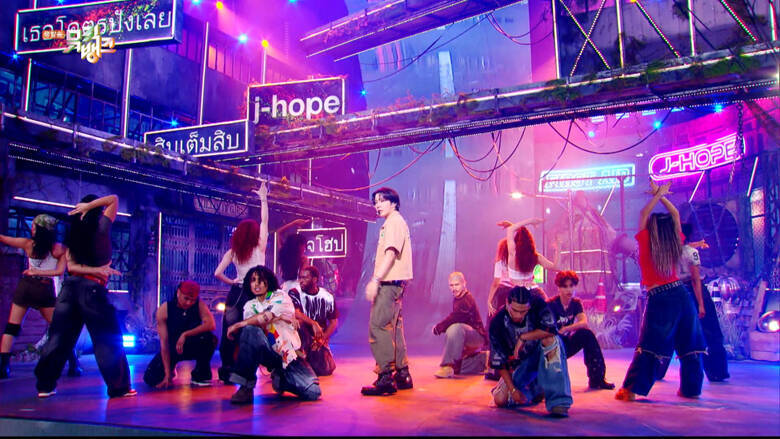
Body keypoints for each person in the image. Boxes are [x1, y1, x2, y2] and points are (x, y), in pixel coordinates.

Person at [34, 194, 134, 398]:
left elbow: (71, 267)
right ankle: (119, 387)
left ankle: (45, 385)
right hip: (92, 290)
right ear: (97, 211)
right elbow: (114, 199)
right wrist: (97, 271)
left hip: (70, 288)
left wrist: (85, 207)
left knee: (59, 338)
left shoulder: (74, 235)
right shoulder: (101, 228)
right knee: (107, 339)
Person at [615, 180, 706, 401]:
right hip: (682, 295)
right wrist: (662, 195)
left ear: (652, 228)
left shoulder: (645, 241)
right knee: (690, 343)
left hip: (661, 297)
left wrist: (656, 195)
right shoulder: (675, 240)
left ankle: (631, 390)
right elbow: (675, 214)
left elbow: (644, 213)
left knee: (650, 343)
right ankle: (691, 390)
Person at [226, 266, 321, 403]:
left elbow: (267, 316)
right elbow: (258, 325)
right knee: (250, 330)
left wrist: (239, 324)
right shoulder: (249, 306)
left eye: (261, 280)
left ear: (268, 281)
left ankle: (282, 379)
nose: (257, 284)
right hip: (268, 352)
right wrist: (278, 317)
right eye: (253, 280)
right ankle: (245, 387)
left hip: (290, 354)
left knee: (313, 392)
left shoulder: (280, 296)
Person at [0, 214, 76, 379]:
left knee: (12, 327)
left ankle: (3, 367)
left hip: (26, 287)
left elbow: (4, 239)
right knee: (59, 328)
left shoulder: (28, 244)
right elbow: (59, 272)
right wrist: (40, 272)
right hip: (43, 289)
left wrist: (34, 271)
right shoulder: (59, 249)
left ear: (40, 229)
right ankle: (73, 363)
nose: (32, 228)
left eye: (34, 226)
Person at [655, 224, 729, 382]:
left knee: (668, 331)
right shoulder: (687, 252)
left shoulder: (667, 252)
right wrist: (701, 304)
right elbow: (695, 280)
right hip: (689, 289)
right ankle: (717, 371)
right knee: (709, 330)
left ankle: (656, 370)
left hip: (674, 290)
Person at [489, 286, 573, 417]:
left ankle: (558, 402)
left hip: (540, 355)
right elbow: (500, 362)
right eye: (515, 310)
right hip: (519, 365)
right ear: (507, 304)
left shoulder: (538, 305)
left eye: (523, 312)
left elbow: (551, 330)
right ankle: (537, 389)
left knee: (551, 340)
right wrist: (513, 389)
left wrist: (524, 337)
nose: (519, 315)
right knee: (501, 399)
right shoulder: (497, 322)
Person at [361, 187, 414, 396]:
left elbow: (391, 253)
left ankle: (385, 377)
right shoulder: (395, 222)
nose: (378, 205)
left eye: (382, 200)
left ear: (393, 203)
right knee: (394, 328)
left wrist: (375, 280)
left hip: (389, 283)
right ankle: (402, 373)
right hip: (396, 283)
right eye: (375, 202)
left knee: (378, 326)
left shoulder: (393, 222)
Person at [214, 183, 269, 383]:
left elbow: (217, 273)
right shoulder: (260, 247)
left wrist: (232, 281)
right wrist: (263, 198)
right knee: (254, 329)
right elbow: (264, 221)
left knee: (229, 331)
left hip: (236, 294)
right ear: (255, 233)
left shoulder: (234, 252)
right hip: (255, 293)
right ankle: (254, 367)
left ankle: (227, 370)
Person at [143, 280, 218, 388]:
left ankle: (200, 374)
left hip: (192, 344)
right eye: (186, 298)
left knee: (210, 339)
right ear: (178, 293)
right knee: (151, 378)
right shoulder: (165, 309)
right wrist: (167, 373)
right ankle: (171, 369)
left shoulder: (199, 305)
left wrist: (185, 334)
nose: (189, 303)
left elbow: (211, 324)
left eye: (192, 300)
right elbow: (164, 343)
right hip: (173, 348)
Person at [547, 270, 614, 390]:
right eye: (565, 286)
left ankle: (597, 379)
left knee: (587, 335)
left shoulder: (576, 303)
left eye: (571, 286)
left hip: (566, 342)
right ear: (559, 288)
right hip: (552, 345)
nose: (569, 290)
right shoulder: (551, 304)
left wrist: (567, 328)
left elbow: (583, 322)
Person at [432, 272, 487, 379]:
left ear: (464, 284)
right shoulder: (458, 298)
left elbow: (455, 317)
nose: (454, 288)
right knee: (458, 368)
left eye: (457, 284)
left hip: (477, 337)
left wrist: (438, 328)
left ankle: (448, 366)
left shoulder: (466, 299)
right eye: (451, 285)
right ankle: (483, 360)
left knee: (454, 328)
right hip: (466, 336)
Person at [288, 265, 339, 376]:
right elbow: (296, 313)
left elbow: (334, 321)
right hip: (301, 336)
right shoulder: (295, 292)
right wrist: (313, 323)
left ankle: (313, 357)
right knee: (299, 322)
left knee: (325, 370)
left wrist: (322, 339)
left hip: (318, 338)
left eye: (305, 278)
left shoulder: (327, 297)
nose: (301, 281)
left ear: (314, 279)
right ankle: (298, 356)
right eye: (300, 277)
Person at [497, 217, 560, 296]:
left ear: (515, 243)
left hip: (517, 296)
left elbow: (510, 230)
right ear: (531, 243)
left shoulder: (513, 254)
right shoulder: (535, 257)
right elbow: (556, 267)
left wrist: (530, 221)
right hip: (532, 294)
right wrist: (559, 247)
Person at [484, 239, 516, 381]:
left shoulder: (500, 262)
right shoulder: (517, 261)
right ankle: (511, 367)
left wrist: (489, 300)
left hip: (502, 294)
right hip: (515, 294)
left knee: (495, 329)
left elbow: (496, 282)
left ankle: (495, 369)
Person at [276, 218, 311, 294]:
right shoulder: (303, 259)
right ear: (298, 246)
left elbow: (278, 232)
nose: (305, 248)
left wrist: (294, 223)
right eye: (303, 245)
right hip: (297, 289)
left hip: (284, 288)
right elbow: (302, 277)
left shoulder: (283, 254)